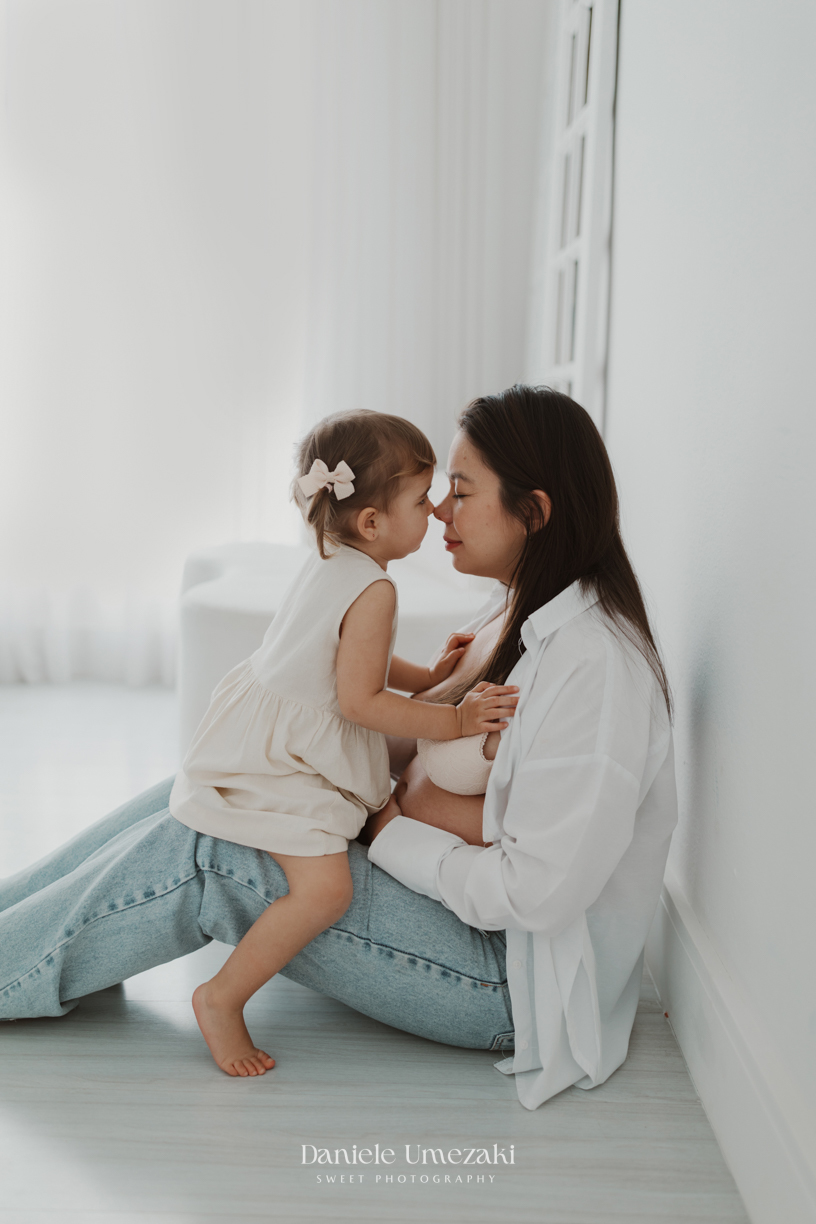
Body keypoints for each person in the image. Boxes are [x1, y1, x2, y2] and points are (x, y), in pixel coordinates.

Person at [0, 385, 677, 1113]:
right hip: (429, 886)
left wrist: (388, 830)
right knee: (210, 796)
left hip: (501, 979)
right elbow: (401, 727)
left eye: (461, 489)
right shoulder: (520, 608)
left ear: (534, 512)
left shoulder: (595, 671)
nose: (442, 509)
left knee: (215, 849)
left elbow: (536, 891)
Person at [169, 409, 519, 1075]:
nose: (437, 512)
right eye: (421, 500)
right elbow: (360, 699)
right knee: (326, 892)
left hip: (264, 727)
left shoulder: (333, 560)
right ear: (372, 522)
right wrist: (456, 720)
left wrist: (429, 676)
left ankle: (225, 989)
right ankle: (222, 995)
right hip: (284, 763)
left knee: (333, 868)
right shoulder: (376, 588)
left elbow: (348, 660)